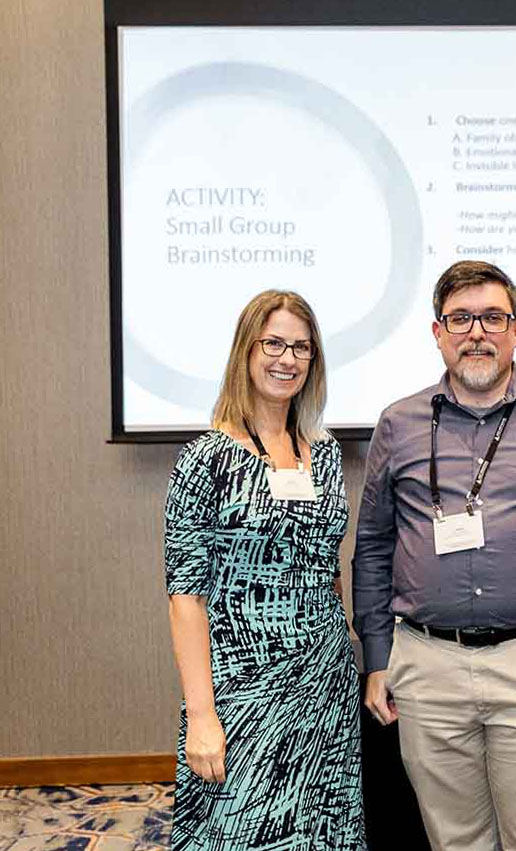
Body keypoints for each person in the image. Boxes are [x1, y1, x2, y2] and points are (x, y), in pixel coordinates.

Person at [353, 260, 516, 851]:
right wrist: (377, 655)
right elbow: (372, 547)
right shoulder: (398, 423)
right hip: (426, 662)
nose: (477, 332)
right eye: (461, 318)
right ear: (437, 332)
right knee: (455, 839)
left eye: (492, 317)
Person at [165, 290, 365, 850]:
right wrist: (201, 715)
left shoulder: (322, 455)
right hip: (242, 690)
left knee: (323, 830)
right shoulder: (206, 458)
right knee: (243, 831)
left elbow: (327, 563)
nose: (288, 359)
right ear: (246, 353)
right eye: (273, 343)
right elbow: (185, 595)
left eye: (302, 348)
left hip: (325, 684)